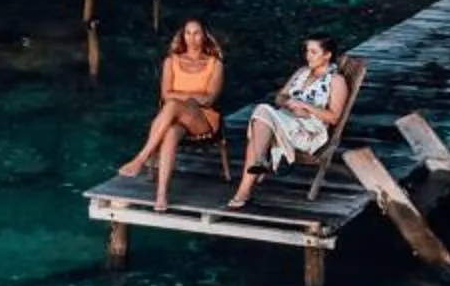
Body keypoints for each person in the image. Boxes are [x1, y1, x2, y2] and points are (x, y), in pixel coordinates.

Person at [229, 35, 350, 208]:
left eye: (314, 52)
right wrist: (289, 104)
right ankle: (259, 163)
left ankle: (246, 186)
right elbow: (280, 96)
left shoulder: (336, 81)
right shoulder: (302, 72)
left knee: (261, 115)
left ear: (327, 55)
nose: (308, 55)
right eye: (307, 51)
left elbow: (334, 117)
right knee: (262, 114)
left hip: (309, 130)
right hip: (286, 119)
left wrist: (305, 106)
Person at [119, 18, 226, 211]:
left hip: (202, 120)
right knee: (170, 133)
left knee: (172, 105)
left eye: (197, 33)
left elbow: (209, 99)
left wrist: (181, 98)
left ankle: (141, 158)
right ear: (182, 36)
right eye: (188, 33)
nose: (192, 38)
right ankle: (161, 196)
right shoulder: (171, 61)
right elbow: (164, 94)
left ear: (205, 36)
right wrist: (192, 97)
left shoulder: (214, 64)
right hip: (175, 118)